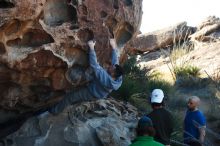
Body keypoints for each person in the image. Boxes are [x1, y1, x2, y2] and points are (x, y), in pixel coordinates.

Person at [49, 38, 123, 114]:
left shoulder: (107, 79)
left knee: (70, 97)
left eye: (112, 67)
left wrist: (91, 48)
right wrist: (113, 47)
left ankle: (55, 111)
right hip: (98, 89)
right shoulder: (118, 77)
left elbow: (94, 65)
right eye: (112, 65)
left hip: (91, 93)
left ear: (113, 74)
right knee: (80, 90)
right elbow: (115, 62)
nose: (110, 66)